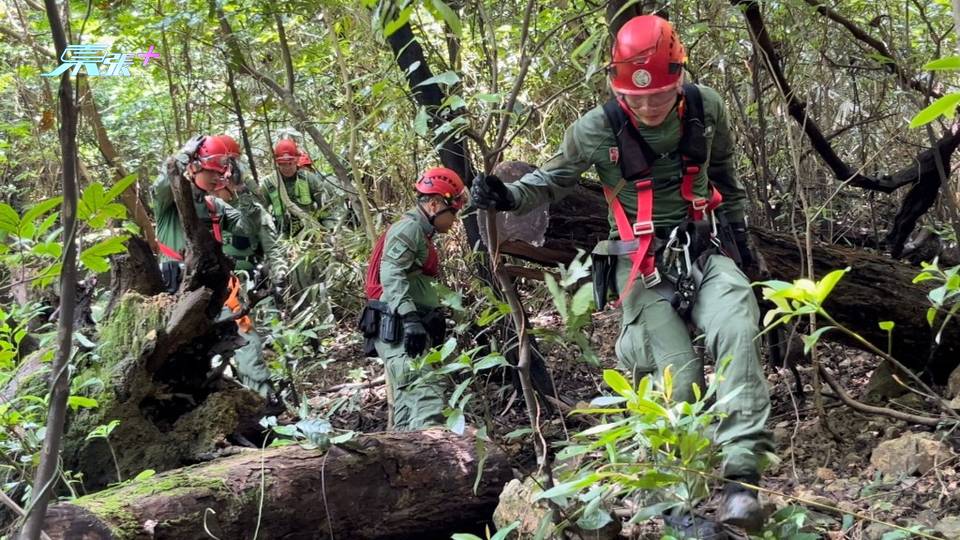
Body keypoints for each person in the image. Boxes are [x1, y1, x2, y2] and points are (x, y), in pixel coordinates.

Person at [471, 14, 772, 531]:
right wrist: (506, 196)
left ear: (679, 80)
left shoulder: (706, 108)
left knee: (737, 324)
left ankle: (741, 482)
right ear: (616, 86)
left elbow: (726, 178)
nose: (649, 106)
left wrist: (742, 243)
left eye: (660, 95)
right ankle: (678, 502)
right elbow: (551, 180)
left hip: (702, 249)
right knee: (679, 377)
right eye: (637, 98)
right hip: (640, 264)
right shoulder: (595, 129)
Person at [358, 167, 467, 431]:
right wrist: (410, 318)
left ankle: (407, 463)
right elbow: (391, 271)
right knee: (427, 397)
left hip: (402, 328)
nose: (454, 219)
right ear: (434, 204)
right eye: (452, 212)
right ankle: (430, 463)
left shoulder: (418, 231)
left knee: (408, 406)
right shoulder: (408, 229)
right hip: (397, 327)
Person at [211, 134, 286, 396]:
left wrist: (279, 278)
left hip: (251, 287)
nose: (217, 185)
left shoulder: (253, 211)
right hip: (217, 292)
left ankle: (269, 397)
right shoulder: (205, 212)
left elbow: (272, 247)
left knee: (264, 346)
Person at [152, 135, 247, 293]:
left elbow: (247, 225)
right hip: (173, 287)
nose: (216, 178)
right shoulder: (168, 203)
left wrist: (242, 188)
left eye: (220, 173)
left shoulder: (214, 205)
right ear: (195, 167)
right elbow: (162, 185)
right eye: (211, 171)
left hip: (210, 286)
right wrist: (183, 156)